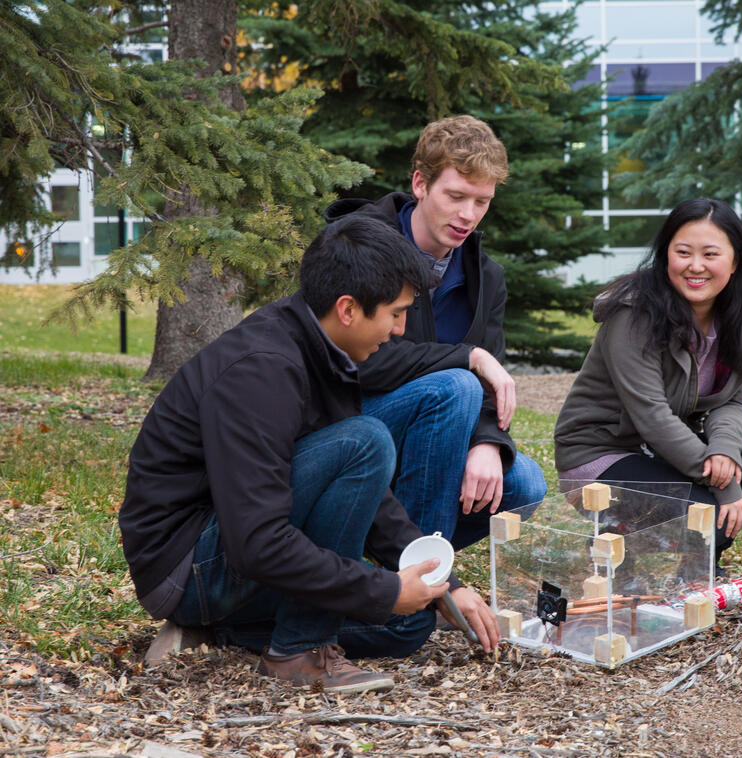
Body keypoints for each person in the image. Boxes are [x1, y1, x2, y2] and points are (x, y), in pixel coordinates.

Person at [119, 216, 500, 694]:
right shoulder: (263, 371)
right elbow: (256, 540)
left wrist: (446, 583)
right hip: (185, 568)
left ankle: (222, 633)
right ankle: (300, 649)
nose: (401, 330)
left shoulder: (318, 346)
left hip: (223, 549)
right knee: (366, 441)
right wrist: (381, 589)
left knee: (409, 624)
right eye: (395, 313)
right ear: (347, 309)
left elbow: (371, 500)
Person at [323, 115, 547, 552]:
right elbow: (354, 362)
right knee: (455, 385)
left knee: (524, 483)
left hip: (440, 434)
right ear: (421, 184)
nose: (468, 215)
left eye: (481, 201)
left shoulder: (487, 277)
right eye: (456, 196)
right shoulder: (358, 244)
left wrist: (486, 442)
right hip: (351, 427)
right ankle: (417, 592)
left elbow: (488, 385)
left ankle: (412, 554)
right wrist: (469, 357)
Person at [553, 198, 742, 575]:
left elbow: (730, 401)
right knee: (705, 508)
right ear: (666, 256)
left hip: (659, 455)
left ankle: (697, 566)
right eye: (683, 252)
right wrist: (723, 486)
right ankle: (618, 541)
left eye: (710, 254)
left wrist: (723, 453)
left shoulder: (734, 319)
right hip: (602, 456)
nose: (695, 266)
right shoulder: (633, 314)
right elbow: (652, 416)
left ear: (734, 261)